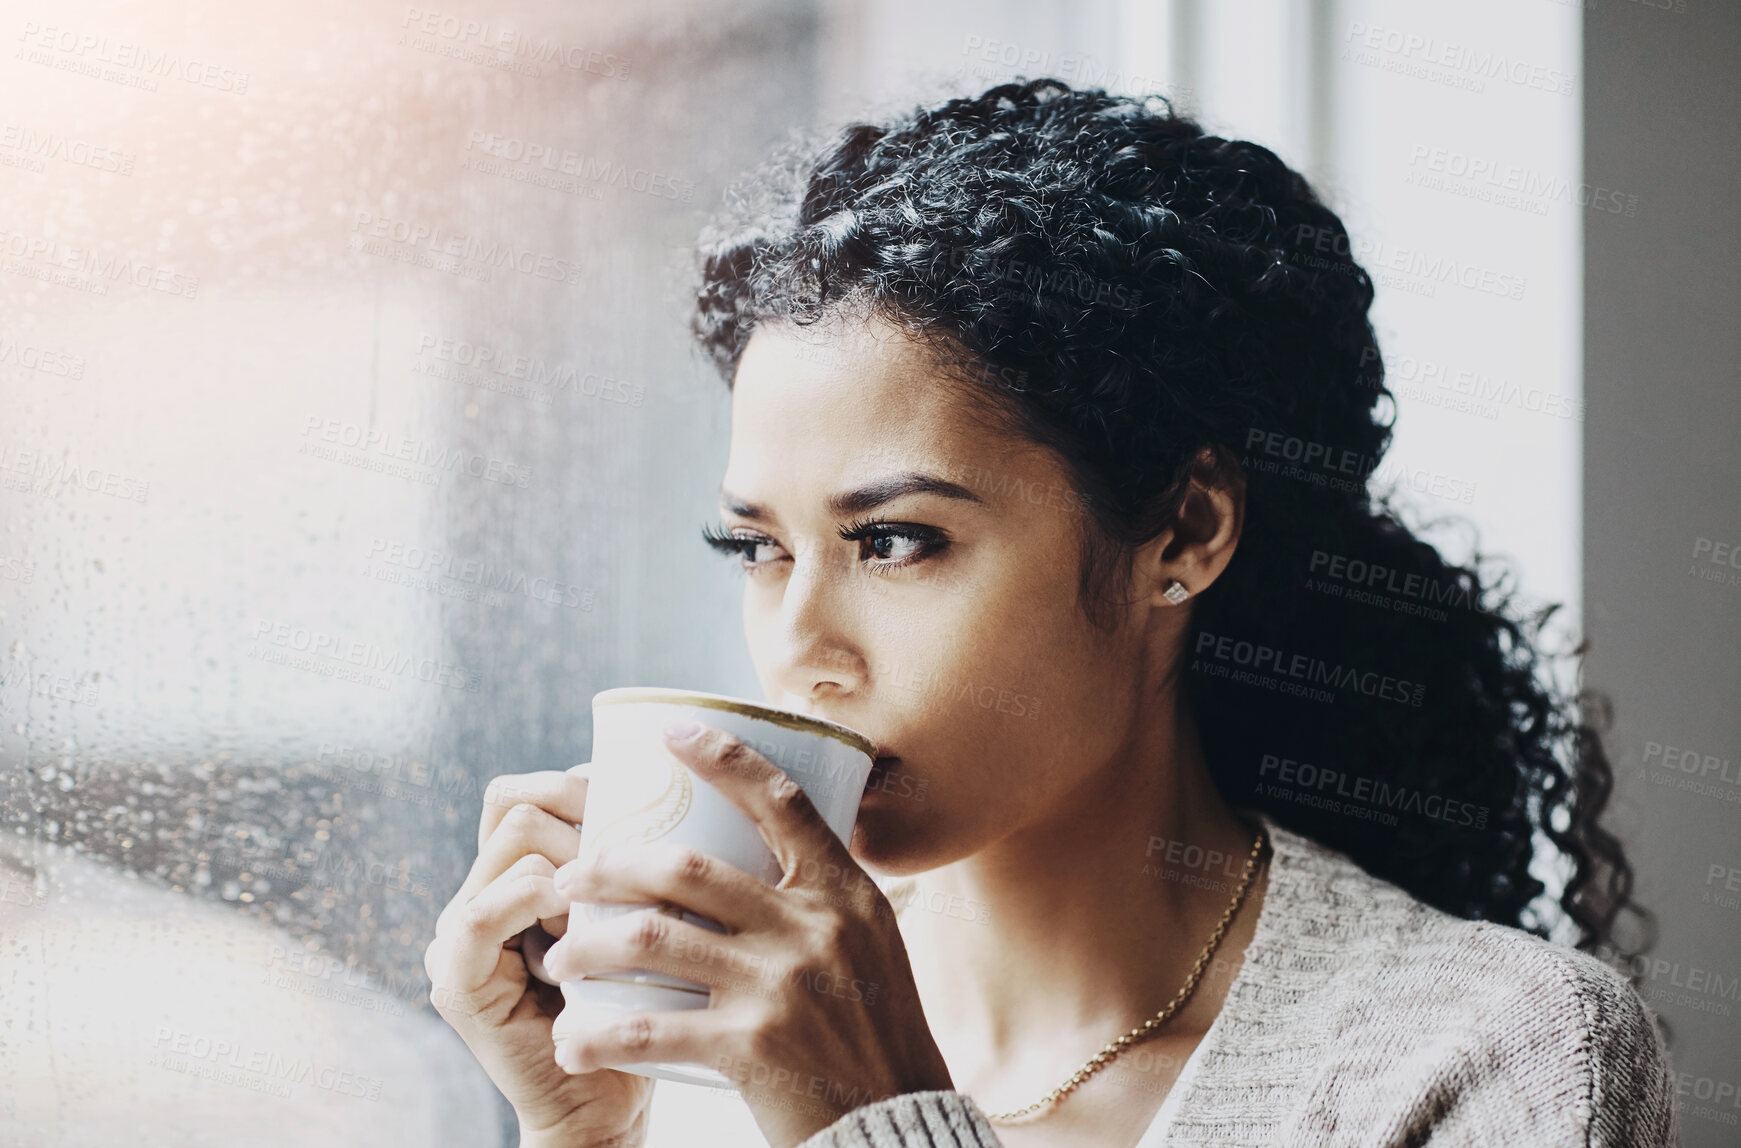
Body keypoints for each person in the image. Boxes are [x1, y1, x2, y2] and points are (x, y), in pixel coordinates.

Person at [424, 80, 1679, 1147]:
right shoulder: (707, 1042)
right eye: (757, 545)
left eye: (897, 539)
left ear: (1182, 532)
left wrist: (879, 1118)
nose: (799, 646)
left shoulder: (1485, 1058)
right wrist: (581, 1133)